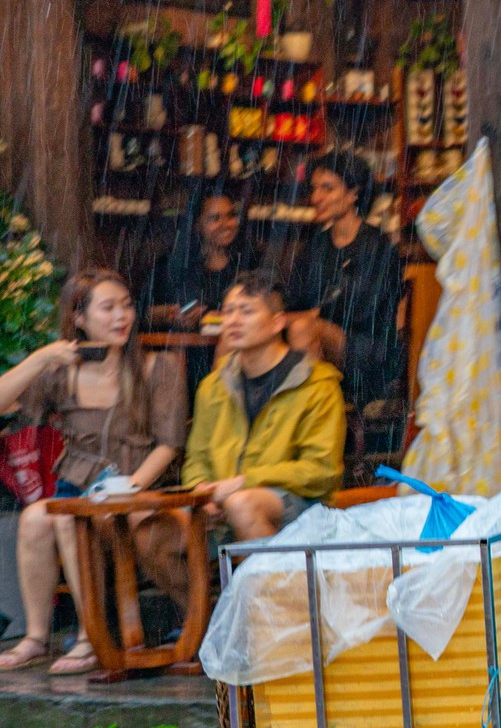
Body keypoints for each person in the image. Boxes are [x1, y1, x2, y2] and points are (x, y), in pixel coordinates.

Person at [0, 269, 186, 676]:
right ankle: (36, 637)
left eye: (126, 306)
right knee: (35, 519)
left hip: (136, 487)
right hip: (78, 485)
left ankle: (90, 636)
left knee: (70, 520)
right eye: (108, 308)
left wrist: (129, 486)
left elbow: (169, 444)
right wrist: (40, 359)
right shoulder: (60, 373)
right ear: (80, 318)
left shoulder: (158, 367)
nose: (122, 316)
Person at [142, 272, 345, 613]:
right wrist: (203, 490)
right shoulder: (213, 386)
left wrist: (242, 483)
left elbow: (321, 471)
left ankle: (281, 620)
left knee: (243, 504)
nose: (233, 320)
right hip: (221, 504)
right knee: (147, 532)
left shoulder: (317, 384)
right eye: (228, 311)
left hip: (298, 507)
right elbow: (197, 459)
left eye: (246, 311)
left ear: (277, 322)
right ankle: (210, 622)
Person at [285, 151, 404, 413]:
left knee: (303, 329)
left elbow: (361, 313)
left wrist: (313, 316)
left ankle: (310, 420)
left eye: (327, 188)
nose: (316, 197)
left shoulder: (378, 246)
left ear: (353, 193)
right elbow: (293, 299)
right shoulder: (315, 246)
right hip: (321, 341)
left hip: (369, 352)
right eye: (314, 189)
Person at [145, 191, 254, 331]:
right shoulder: (173, 265)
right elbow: (144, 313)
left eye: (230, 216)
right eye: (215, 218)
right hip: (186, 343)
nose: (225, 224)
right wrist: (169, 314)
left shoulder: (250, 263)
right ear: (197, 224)